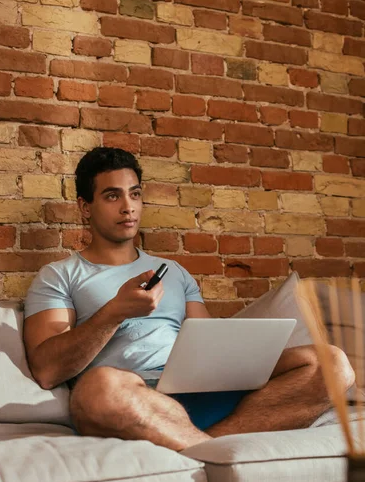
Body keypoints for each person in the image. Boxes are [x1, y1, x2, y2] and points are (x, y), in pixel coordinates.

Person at [23, 147, 354, 452]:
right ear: (85, 207)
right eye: (112, 196)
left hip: (199, 393)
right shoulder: (60, 275)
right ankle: (214, 452)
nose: (128, 207)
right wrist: (114, 312)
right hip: (133, 400)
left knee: (333, 362)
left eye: (135, 194)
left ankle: (203, 446)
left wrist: (245, 356)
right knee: (99, 387)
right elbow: (48, 370)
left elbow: (208, 344)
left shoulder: (175, 272)